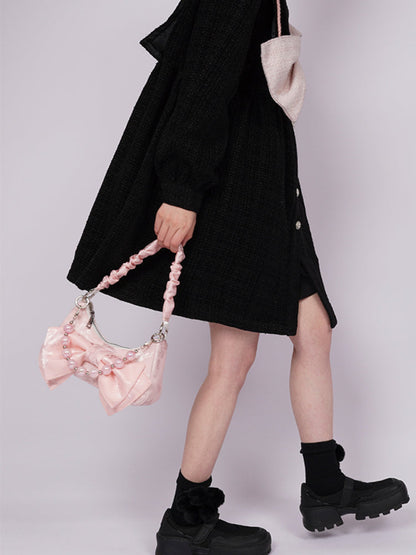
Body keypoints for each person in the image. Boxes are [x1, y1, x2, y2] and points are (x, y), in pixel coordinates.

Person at [66, 1, 410, 553]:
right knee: (233, 359)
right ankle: (187, 519)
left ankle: (325, 486)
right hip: (235, 196)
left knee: (313, 330)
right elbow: (201, 85)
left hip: (266, 193)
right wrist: (181, 190)